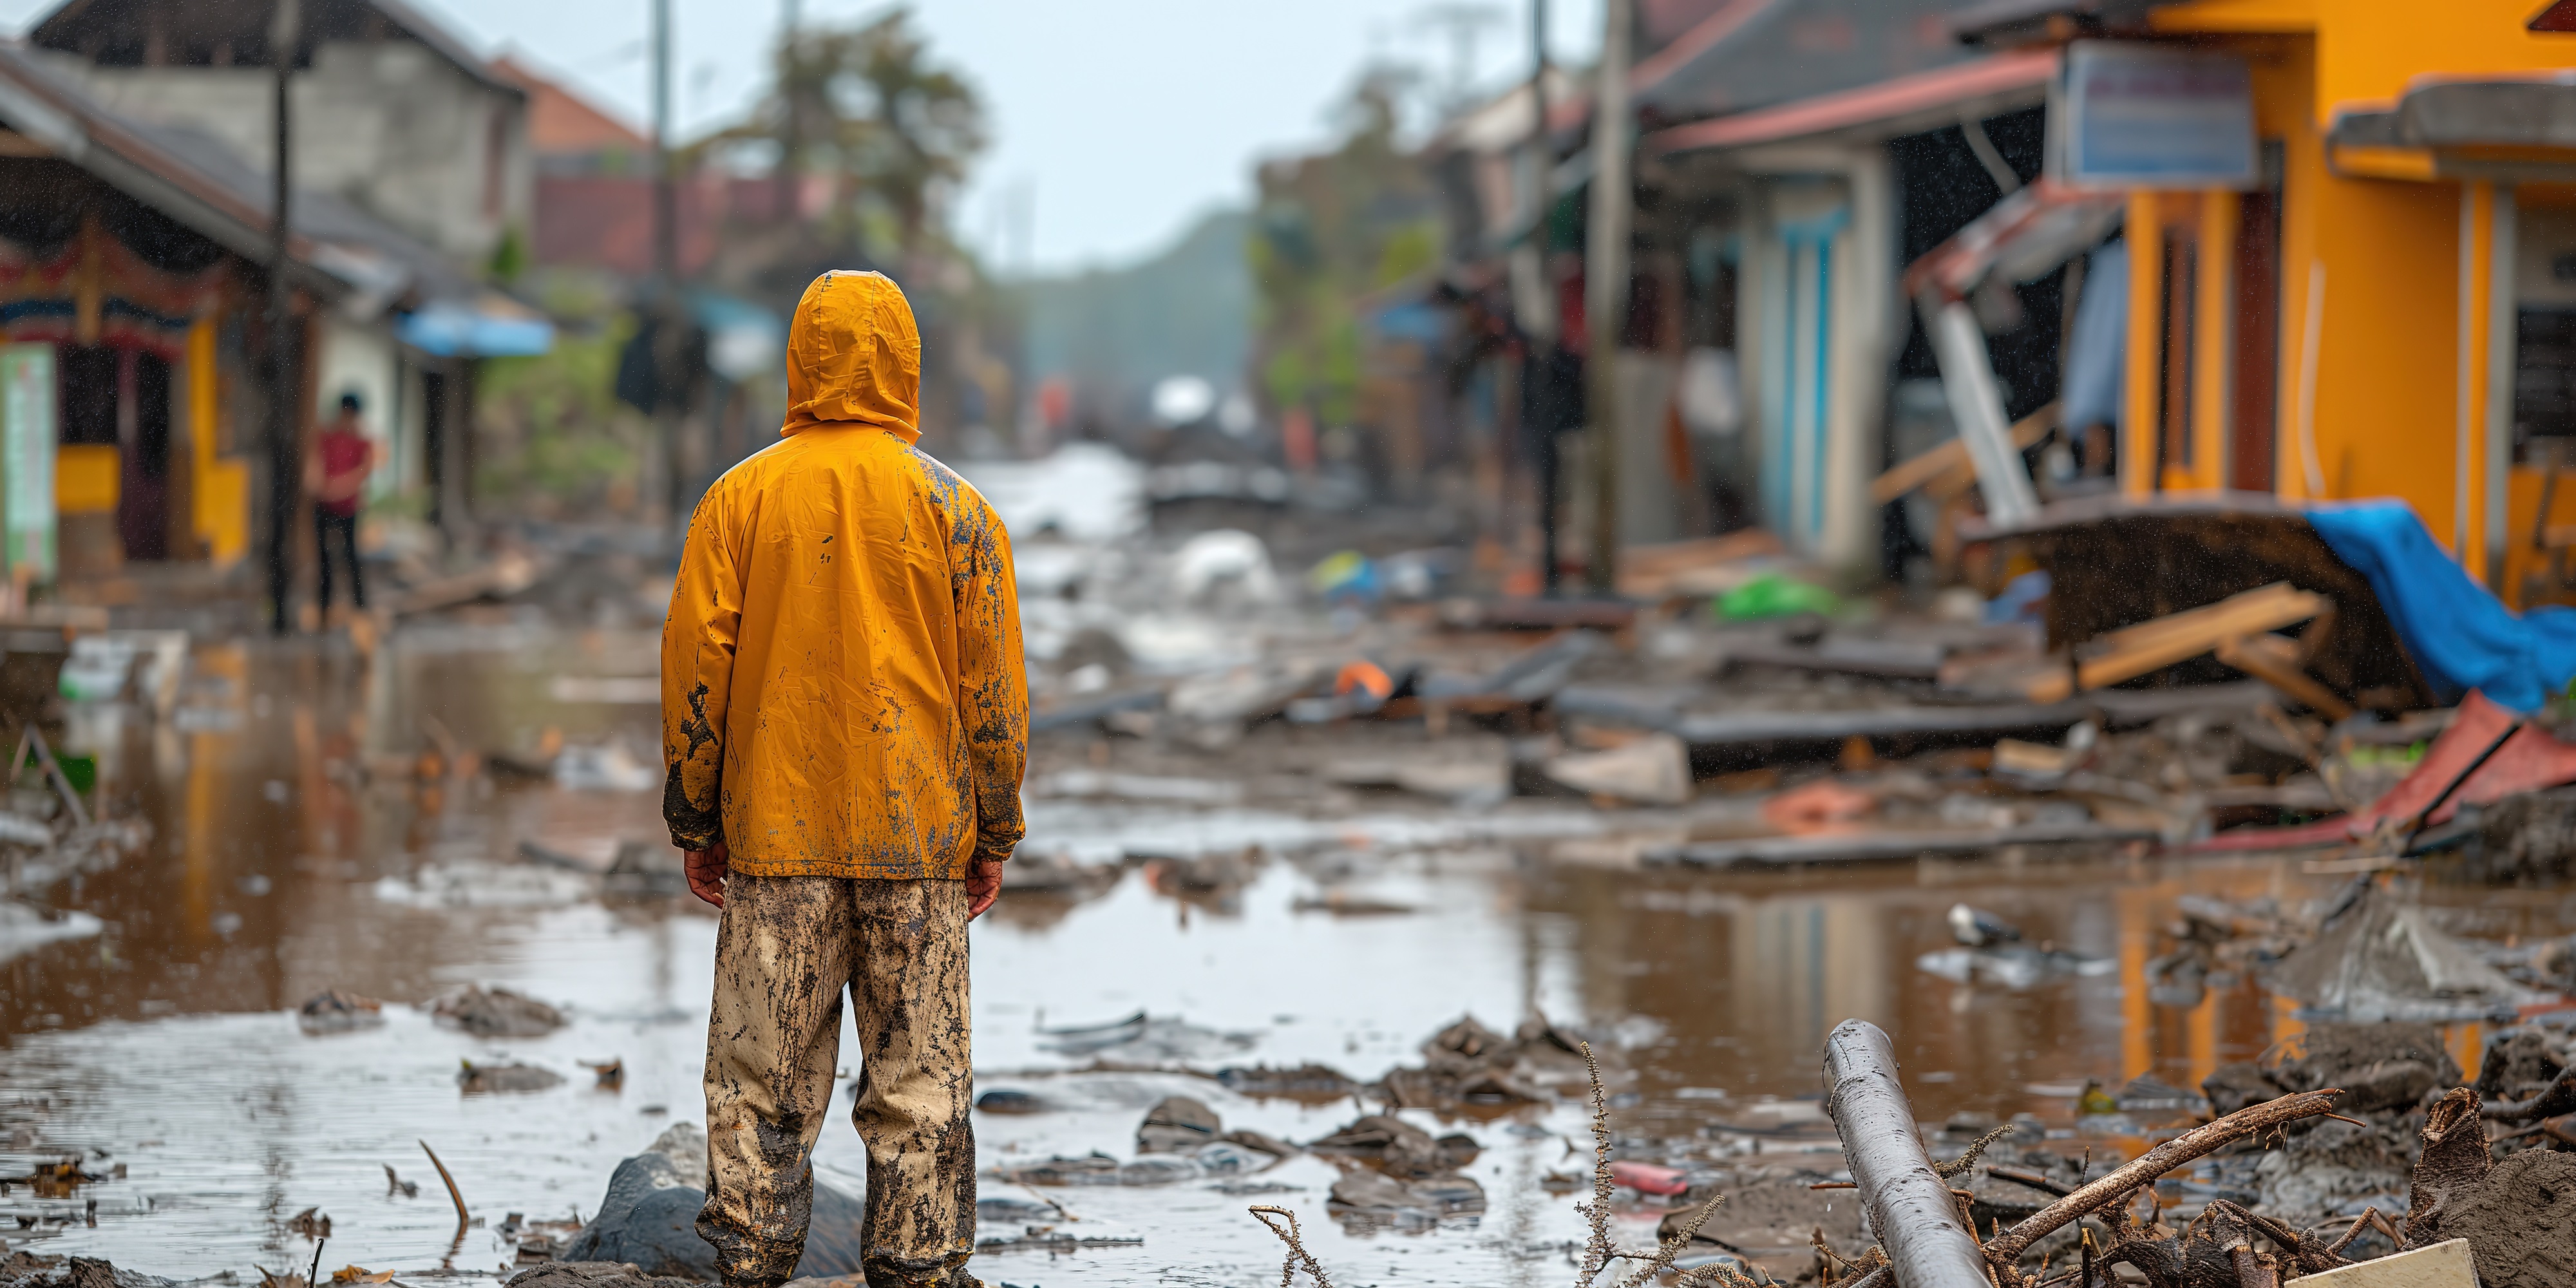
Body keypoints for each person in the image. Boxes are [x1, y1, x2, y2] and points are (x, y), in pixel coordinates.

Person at [660, 270, 1027, 1288]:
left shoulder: (739, 499)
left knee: (760, 1081)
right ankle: (916, 1271)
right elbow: (992, 696)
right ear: (905, 363)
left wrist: (696, 817)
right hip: (918, 843)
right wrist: (995, 831)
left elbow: (699, 669)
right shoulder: (959, 510)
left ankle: (752, 1267)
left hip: (774, 841)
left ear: (801, 360)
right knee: (921, 1086)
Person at [307, 392, 376, 616]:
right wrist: (320, 487)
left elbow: (363, 474)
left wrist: (336, 488)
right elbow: (314, 468)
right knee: (324, 560)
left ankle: (360, 609)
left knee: (351, 558)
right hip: (324, 506)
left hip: (347, 507)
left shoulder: (362, 442)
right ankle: (324, 610)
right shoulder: (326, 438)